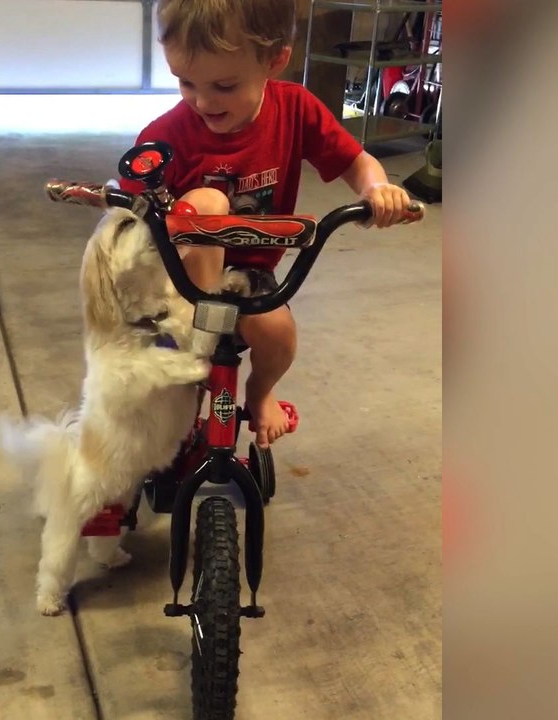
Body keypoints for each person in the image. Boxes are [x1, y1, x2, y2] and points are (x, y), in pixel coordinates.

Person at [119, 0, 416, 448]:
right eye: (185, 82)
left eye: (223, 85)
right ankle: (187, 385)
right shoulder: (166, 136)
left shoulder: (296, 110)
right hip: (181, 280)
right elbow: (129, 212)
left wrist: (376, 189)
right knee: (207, 201)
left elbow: (356, 161)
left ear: (275, 59)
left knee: (277, 333)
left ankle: (259, 392)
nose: (202, 102)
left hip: (250, 275)